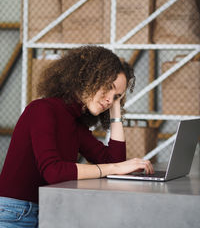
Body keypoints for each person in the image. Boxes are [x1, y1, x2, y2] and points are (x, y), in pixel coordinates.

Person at [0, 45, 154, 227]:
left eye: (116, 96)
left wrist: (116, 112)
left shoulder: (75, 122)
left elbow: (114, 160)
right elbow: (53, 172)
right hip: (14, 213)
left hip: (48, 210)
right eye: (107, 88)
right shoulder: (42, 109)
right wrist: (114, 168)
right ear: (87, 79)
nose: (109, 100)